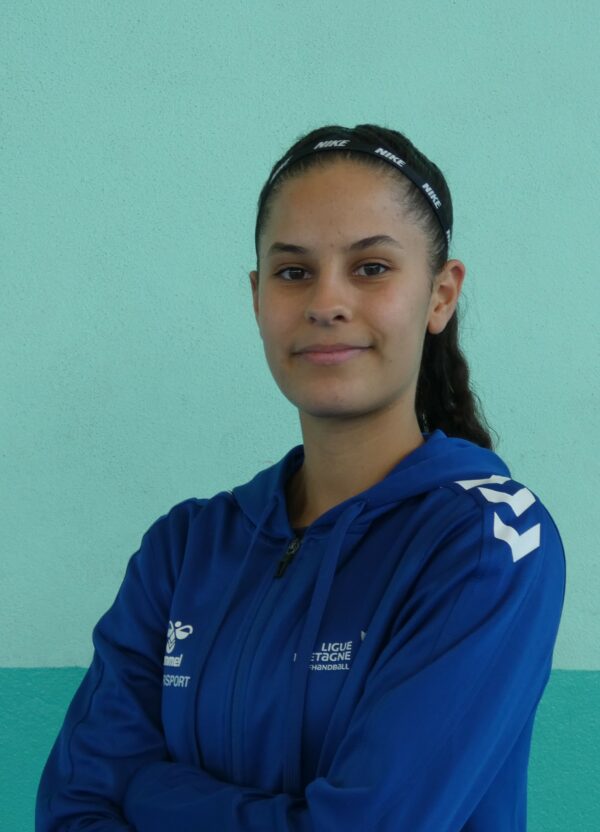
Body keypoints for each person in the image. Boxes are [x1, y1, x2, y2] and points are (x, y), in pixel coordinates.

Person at [36, 123, 566, 831]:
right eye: (293, 272)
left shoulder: (489, 543)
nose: (326, 302)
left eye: (371, 268)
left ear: (440, 295)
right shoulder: (184, 550)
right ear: (258, 296)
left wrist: (152, 793)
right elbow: (73, 807)